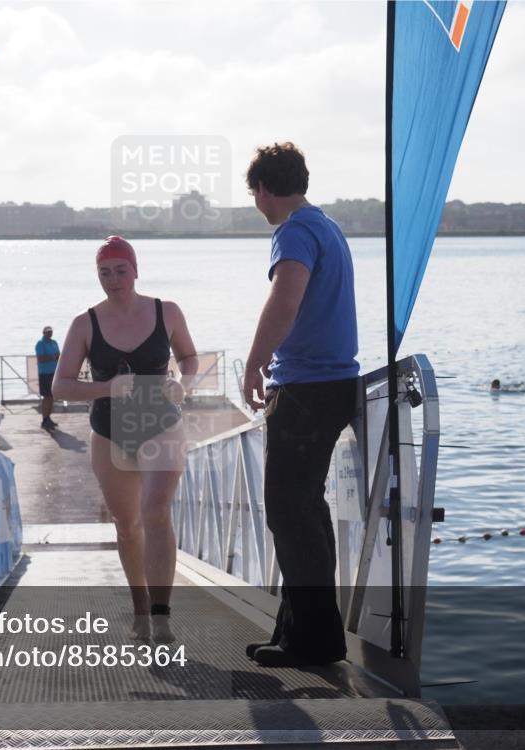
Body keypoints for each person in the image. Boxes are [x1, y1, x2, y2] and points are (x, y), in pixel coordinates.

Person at [241, 142, 359, 668]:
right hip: (333, 384)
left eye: (255, 195)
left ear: (265, 188)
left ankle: (312, 640)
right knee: (307, 512)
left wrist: (253, 363)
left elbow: (285, 300)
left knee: (289, 513)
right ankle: (302, 633)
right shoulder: (326, 226)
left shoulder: (293, 232)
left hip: (307, 388)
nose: (257, 205)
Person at [53, 236, 198, 643]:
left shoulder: (165, 311)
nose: (112, 279)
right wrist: (106, 388)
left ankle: (162, 615)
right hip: (110, 432)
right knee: (128, 525)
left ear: (136, 270)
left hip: (162, 425)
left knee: (155, 513)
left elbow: (188, 357)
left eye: (120, 270)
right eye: (104, 272)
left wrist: (183, 384)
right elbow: (60, 385)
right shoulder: (85, 323)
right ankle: (140, 611)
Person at [35, 326, 60, 429]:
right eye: (47, 332)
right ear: (43, 332)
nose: (49, 333)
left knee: (52, 396)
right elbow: (41, 358)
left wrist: (52, 357)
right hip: (45, 374)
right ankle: (44, 420)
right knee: (47, 397)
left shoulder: (54, 342)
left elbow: (58, 354)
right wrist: (52, 357)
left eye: (51, 332)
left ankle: (48, 418)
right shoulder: (40, 343)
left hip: (54, 373)